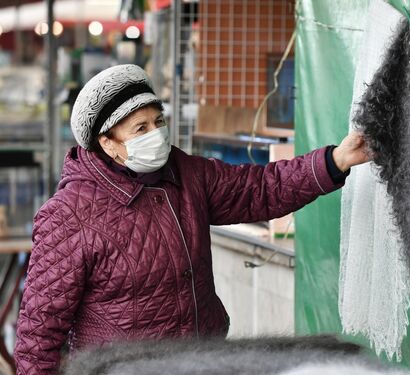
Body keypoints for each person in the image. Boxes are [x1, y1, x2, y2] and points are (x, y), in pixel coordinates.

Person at [14, 64, 369, 374]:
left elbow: (260, 189)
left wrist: (335, 160)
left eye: (158, 122)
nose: (155, 134)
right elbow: (39, 332)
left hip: (202, 361)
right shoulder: (68, 215)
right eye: (140, 129)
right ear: (108, 143)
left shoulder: (188, 174)